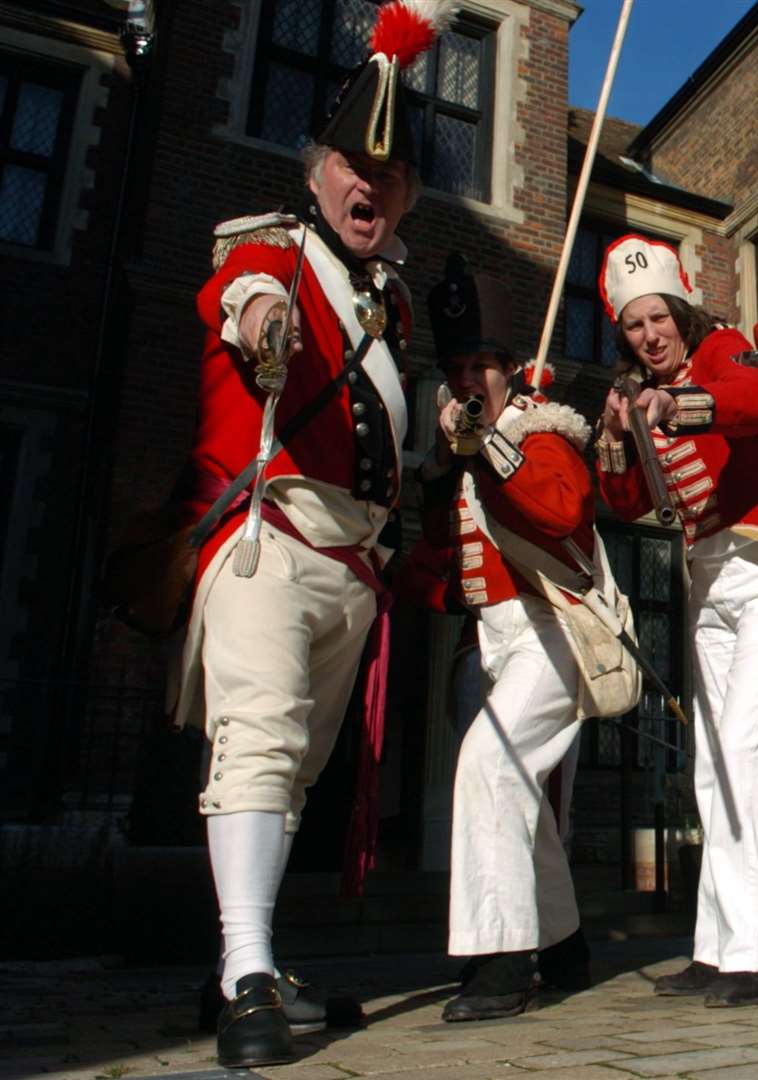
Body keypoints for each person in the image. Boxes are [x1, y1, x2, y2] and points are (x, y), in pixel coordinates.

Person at [173, 1, 448, 1066]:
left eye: (389, 174)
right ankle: (247, 981)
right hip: (269, 536)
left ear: (409, 194)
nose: (367, 185)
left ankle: (246, 957)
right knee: (260, 740)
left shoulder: (396, 306)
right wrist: (262, 325)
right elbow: (241, 299)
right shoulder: (274, 254)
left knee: (294, 767)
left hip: (349, 564)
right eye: (351, 165)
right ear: (316, 170)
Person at [595, 234, 758, 1008]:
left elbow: (752, 406)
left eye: (657, 318)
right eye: (633, 325)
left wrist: (675, 407)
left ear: (680, 312)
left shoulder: (723, 349)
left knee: (746, 750)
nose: (649, 335)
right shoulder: (632, 393)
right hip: (705, 580)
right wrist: (617, 443)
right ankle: (717, 945)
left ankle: (754, 954)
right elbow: (625, 506)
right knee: (711, 767)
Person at [416, 254, 597, 1021]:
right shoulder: (458, 459)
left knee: (489, 765)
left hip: (554, 631)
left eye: (482, 366)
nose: (468, 382)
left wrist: (491, 444)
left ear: (509, 372)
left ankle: (500, 960)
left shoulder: (540, 433)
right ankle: (561, 945)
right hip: (495, 641)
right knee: (512, 785)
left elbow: (560, 513)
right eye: (457, 368)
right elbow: (443, 568)